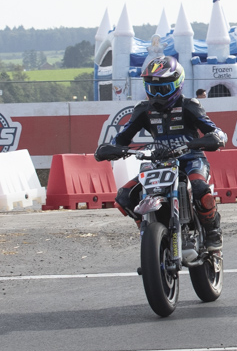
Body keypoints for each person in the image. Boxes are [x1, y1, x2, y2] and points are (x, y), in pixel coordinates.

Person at [95, 55, 228, 251]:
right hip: (160, 163)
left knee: (200, 188)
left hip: (191, 160)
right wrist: (111, 148)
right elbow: (122, 138)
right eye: (152, 88)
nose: (157, 95)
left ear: (177, 84)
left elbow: (216, 131)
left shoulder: (190, 105)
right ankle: (146, 231)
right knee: (124, 197)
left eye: (163, 88)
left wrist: (214, 138)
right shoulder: (143, 110)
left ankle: (212, 231)